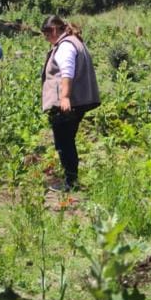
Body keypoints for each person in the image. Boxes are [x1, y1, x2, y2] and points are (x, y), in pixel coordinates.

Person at [41, 14, 100, 192]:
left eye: (46, 33)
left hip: (67, 103)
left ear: (53, 29)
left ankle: (70, 182)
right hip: (78, 101)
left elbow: (67, 72)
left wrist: (65, 97)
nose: (46, 38)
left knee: (64, 142)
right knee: (68, 141)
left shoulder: (65, 46)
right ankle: (71, 178)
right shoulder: (74, 41)